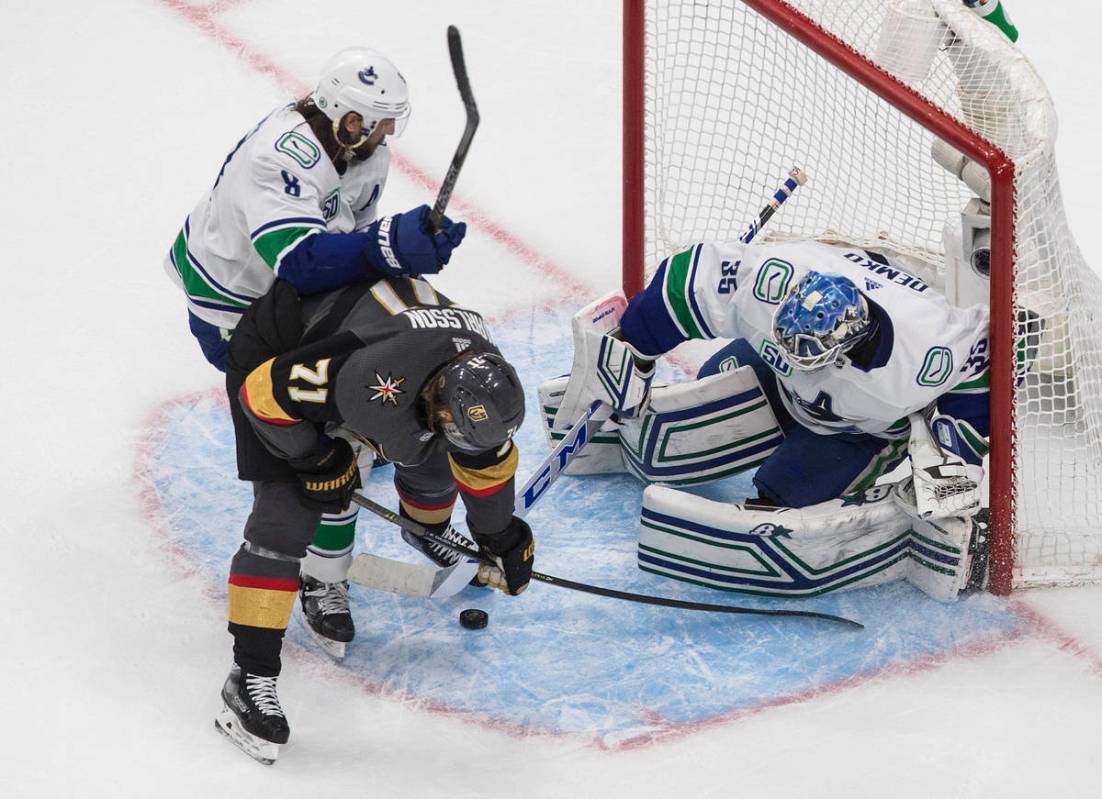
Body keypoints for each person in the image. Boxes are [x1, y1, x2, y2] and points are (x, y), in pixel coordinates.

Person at [163, 46, 468, 655]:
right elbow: (300, 262)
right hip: (237, 312)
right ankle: (318, 576)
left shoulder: (364, 152)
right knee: (322, 447)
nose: (387, 135)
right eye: (379, 123)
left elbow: (353, 249)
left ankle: (398, 507)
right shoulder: (281, 156)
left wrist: (406, 245)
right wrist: (388, 243)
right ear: (346, 118)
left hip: (289, 301)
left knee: (384, 388)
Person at [546, 237, 991, 600]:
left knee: (783, 491)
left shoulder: (920, 356)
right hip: (780, 384)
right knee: (714, 378)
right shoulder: (774, 281)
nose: (800, 362)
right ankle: (776, 413)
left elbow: (996, 355)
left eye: (812, 358)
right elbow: (685, 279)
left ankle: (809, 462)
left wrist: (955, 461)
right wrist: (637, 349)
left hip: (854, 432)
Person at [215, 274, 533, 764]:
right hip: (279, 359)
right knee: (287, 516)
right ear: (439, 397)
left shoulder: (475, 384)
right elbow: (264, 394)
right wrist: (315, 458)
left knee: (431, 452)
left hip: (382, 360)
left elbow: (482, 462)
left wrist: (499, 534)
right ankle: (248, 678)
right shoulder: (369, 372)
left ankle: (422, 527)